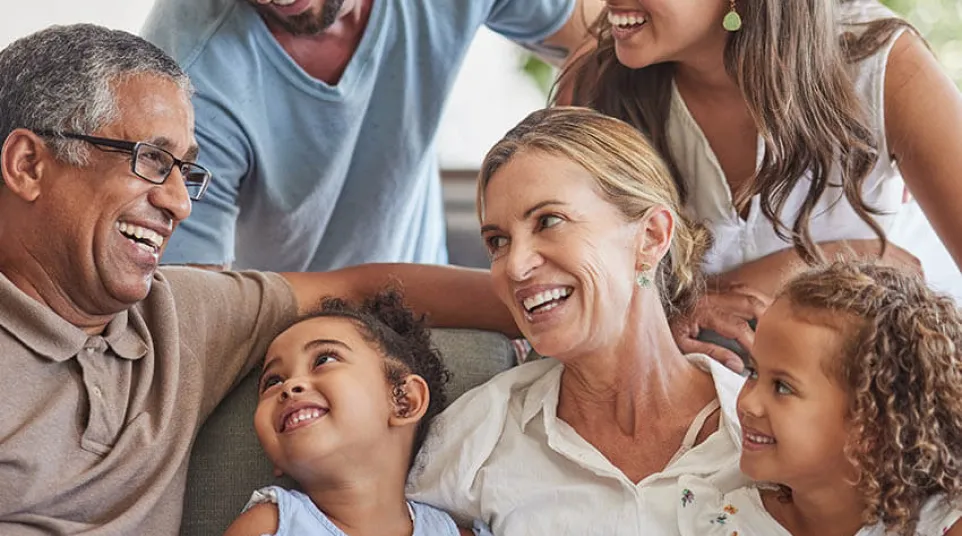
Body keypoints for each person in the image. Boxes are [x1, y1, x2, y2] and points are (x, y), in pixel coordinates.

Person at [0, 24, 513, 535]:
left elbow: (359, 289)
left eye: (186, 171)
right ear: (28, 165)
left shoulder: (178, 313)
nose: (180, 204)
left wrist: (548, 309)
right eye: (152, 159)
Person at [560, 0, 962, 368]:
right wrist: (838, 256)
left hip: (876, 376)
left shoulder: (882, 65)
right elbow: (564, 286)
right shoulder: (598, 82)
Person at [406, 106, 749, 534]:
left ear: (651, 236)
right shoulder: (477, 439)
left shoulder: (763, 430)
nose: (515, 266)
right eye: (498, 241)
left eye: (549, 221)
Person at [141, 0, 602, 272]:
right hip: (283, 342)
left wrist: (566, 194)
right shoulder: (186, 79)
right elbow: (199, 310)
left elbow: (606, 40)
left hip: (430, 305)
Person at [676, 262, 962, 536]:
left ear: (871, 424)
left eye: (783, 387)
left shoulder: (941, 522)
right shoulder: (719, 523)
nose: (748, 402)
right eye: (753, 373)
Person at [224, 290, 491, 536]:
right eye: (272, 382)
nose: (290, 387)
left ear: (404, 401)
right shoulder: (269, 526)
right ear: (275, 458)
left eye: (323, 360)